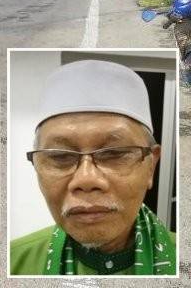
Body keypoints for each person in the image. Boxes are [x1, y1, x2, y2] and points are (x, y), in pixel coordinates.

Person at [10, 60, 175, 276]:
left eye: (115, 154)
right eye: (60, 156)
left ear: (151, 165)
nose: (86, 180)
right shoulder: (12, 263)